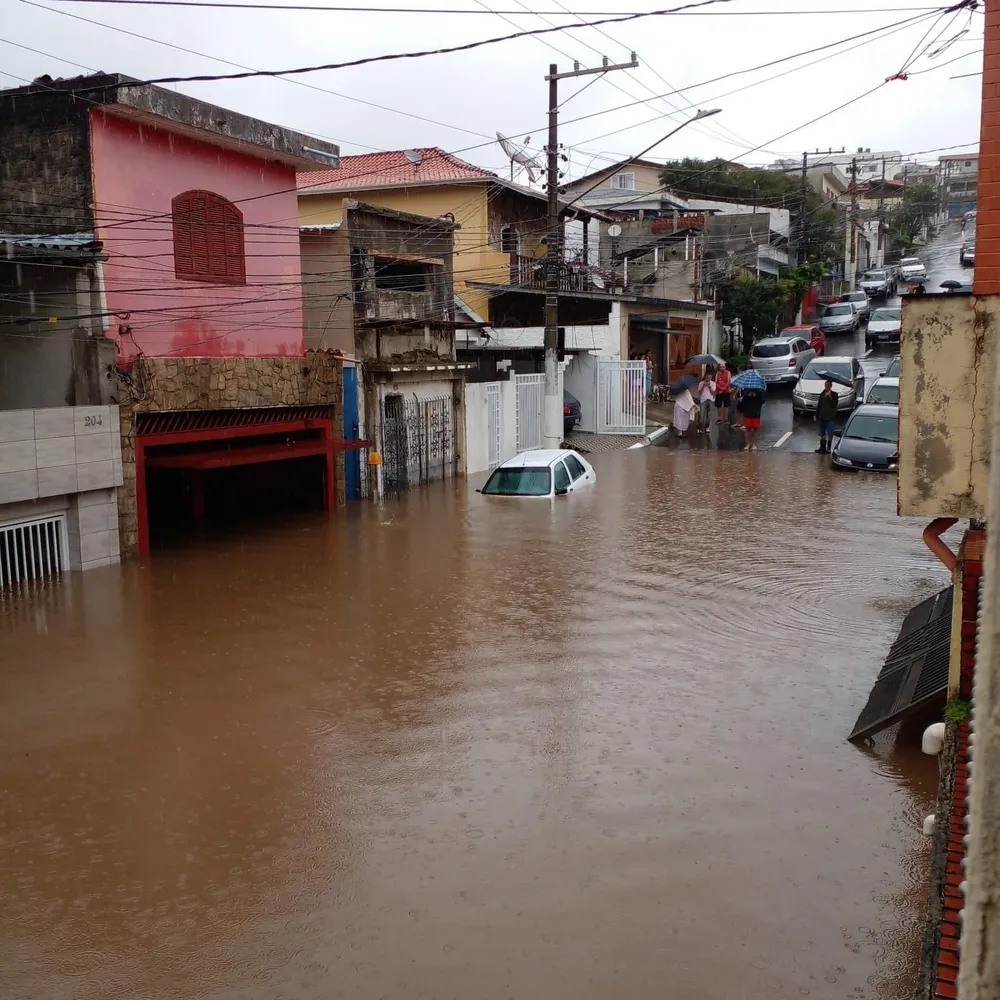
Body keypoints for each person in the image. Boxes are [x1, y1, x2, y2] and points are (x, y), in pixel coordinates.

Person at [814, 379, 839, 454]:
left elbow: (834, 405)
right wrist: (816, 415)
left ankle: (828, 448)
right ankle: (822, 447)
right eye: (825, 385)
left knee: (830, 433)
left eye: (828, 385)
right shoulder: (822, 394)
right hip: (822, 416)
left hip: (830, 417)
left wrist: (830, 397)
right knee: (822, 433)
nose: (826, 387)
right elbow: (819, 405)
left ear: (831, 386)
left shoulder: (834, 394)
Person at [741, 386, 765, 451]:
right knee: (747, 429)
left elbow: (762, 401)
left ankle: (754, 444)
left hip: (756, 413)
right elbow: (743, 401)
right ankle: (748, 444)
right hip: (748, 413)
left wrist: (756, 396)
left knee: (755, 429)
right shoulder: (746, 390)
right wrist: (748, 396)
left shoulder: (759, 391)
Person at [697, 369, 716, 434]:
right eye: (707, 377)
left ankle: (707, 428)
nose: (708, 379)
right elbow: (699, 393)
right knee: (701, 415)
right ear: (705, 377)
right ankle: (699, 428)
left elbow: (713, 393)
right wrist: (703, 386)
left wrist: (709, 387)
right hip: (703, 400)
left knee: (708, 415)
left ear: (711, 378)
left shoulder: (713, 383)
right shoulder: (701, 383)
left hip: (710, 400)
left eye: (709, 377)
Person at [714, 360, 732, 425]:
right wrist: (720, 388)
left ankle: (726, 418)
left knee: (726, 405)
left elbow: (728, 381)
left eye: (723, 367)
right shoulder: (717, 373)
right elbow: (715, 382)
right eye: (721, 367)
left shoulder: (728, 372)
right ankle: (720, 418)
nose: (722, 368)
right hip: (719, 391)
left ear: (725, 367)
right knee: (718, 405)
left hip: (726, 391)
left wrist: (724, 388)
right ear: (719, 367)